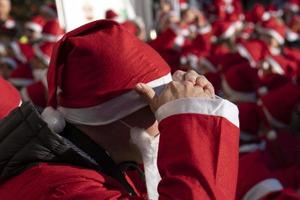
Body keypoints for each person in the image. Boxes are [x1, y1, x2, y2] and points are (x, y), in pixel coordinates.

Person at [0, 20, 239, 199]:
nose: (162, 114)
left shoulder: (98, 166)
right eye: (155, 103)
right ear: (112, 116)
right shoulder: (63, 189)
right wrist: (192, 122)